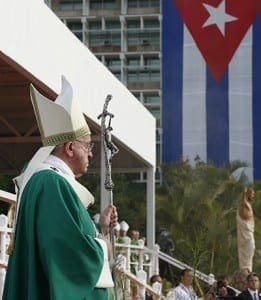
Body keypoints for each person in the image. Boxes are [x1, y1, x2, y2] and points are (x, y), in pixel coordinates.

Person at [3, 76, 118, 300]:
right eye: (87, 145)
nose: (91, 154)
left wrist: (99, 227)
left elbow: (61, 232)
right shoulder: (51, 183)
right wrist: (102, 246)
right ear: (69, 147)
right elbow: (64, 251)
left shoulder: (47, 181)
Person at [236, 186, 255, 272]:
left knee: (251, 249)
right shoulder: (244, 205)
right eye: (252, 193)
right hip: (246, 233)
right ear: (248, 194)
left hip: (249, 231)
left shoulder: (247, 204)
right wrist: (244, 193)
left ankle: (248, 269)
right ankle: (246, 269)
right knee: (249, 249)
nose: (253, 195)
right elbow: (245, 215)